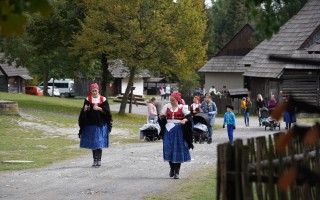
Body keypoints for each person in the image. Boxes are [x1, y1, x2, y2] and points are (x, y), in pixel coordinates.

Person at [158, 91, 193, 179]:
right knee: (168, 148)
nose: (171, 102)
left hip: (178, 130)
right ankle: (172, 168)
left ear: (177, 100)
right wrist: (161, 116)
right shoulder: (167, 106)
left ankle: (177, 171)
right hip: (168, 130)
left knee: (177, 150)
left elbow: (189, 117)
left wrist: (184, 120)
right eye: (170, 100)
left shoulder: (182, 107)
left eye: (173, 100)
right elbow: (162, 115)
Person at [78, 83, 113, 167]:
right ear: (91, 91)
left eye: (95, 90)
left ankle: (99, 160)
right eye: (93, 91)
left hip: (101, 124)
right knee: (94, 142)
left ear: (98, 90)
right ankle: (95, 160)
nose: (94, 92)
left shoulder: (103, 99)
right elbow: (83, 112)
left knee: (98, 142)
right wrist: (85, 110)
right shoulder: (87, 99)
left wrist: (99, 108)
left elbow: (107, 112)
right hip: (91, 124)